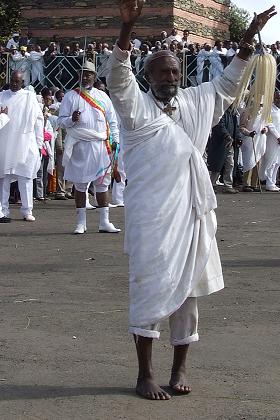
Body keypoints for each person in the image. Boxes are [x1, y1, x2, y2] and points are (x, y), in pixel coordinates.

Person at [106, 0, 276, 401]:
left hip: (194, 215)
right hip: (152, 215)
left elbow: (229, 83)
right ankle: (144, 373)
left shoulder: (197, 102)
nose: (171, 76)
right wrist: (126, 32)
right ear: (147, 75)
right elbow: (117, 76)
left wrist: (248, 40)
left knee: (190, 293)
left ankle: (179, 368)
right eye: (163, 71)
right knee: (148, 288)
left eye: (176, 71)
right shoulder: (135, 109)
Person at [58, 60, 121, 234]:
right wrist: (71, 119)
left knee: (102, 185)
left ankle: (104, 222)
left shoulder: (103, 96)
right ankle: (81, 222)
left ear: (94, 76)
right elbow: (60, 121)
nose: (86, 77)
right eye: (83, 74)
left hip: (101, 146)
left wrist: (115, 139)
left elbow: (112, 121)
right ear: (78, 76)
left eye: (89, 74)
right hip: (80, 146)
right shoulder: (71, 96)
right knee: (80, 185)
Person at [0, 71, 44, 221]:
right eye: (12, 81)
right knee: (4, 177)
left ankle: (27, 210)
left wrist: (39, 142)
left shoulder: (29, 97)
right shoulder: (2, 95)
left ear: (22, 82)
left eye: (17, 82)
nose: (13, 84)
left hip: (25, 141)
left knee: (25, 176)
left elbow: (39, 120)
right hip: (5, 141)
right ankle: (3, 210)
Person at [207, 107, 242, 194]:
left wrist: (238, 137)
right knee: (216, 165)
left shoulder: (233, 113)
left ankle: (228, 185)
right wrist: (226, 135)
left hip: (229, 143)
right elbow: (219, 125)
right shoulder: (221, 111)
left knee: (230, 164)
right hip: (220, 143)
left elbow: (236, 127)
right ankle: (211, 184)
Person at [261, 91, 280, 191]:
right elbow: (270, 125)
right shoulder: (269, 110)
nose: (278, 100)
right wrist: (278, 136)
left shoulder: (279, 110)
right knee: (271, 161)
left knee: (277, 162)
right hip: (273, 139)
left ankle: (273, 181)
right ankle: (269, 183)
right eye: (277, 98)